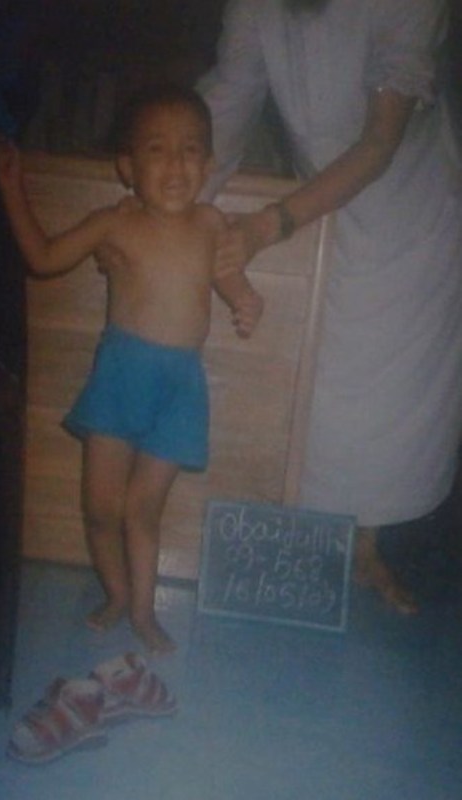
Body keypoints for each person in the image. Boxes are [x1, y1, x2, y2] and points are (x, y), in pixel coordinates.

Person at [198, 0, 462, 613]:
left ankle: (372, 548)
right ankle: (309, 551)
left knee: (387, 406)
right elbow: (228, 102)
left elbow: (380, 141)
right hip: (319, 201)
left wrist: (270, 224)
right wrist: (177, 200)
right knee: (319, 393)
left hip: (412, 213)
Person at [0, 84, 264, 653]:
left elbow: (230, 277)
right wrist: (12, 188)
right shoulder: (113, 224)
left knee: (142, 511)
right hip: (120, 378)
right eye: (157, 149)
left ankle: (142, 611)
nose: (175, 164)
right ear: (127, 167)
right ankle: (116, 593)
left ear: (209, 164)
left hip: (180, 388)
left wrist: (246, 300)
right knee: (99, 510)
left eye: (190, 150)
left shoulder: (212, 223)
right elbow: (43, 258)